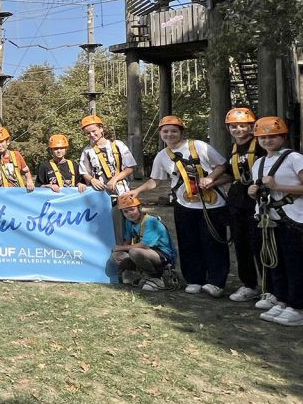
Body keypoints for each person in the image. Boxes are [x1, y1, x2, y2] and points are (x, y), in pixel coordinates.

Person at [133, 115, 230, 297]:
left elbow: (222, 165)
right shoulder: (163, 156)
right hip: (184, 204)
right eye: (165, 131)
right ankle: (194, 279)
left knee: (213, 243)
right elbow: (156, 180)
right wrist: (137, 191)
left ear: (181, 132)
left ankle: (216, 282)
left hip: (211, 204)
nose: (170, 134)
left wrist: (210, 178)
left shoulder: (198, 146)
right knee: (188, 243)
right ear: (160, 133)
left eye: (174, 131)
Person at [248, 117, 303, 327]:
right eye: (263, 137)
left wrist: (279, 186)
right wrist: (253, 192)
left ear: (283, 137)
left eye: (273, 136)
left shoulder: (295, 158)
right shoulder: (259, 163)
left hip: (294, 218)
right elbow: (264, 190)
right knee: (274, 261)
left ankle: (296, 306)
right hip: (269, 219)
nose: (268, 141)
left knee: (293, 262)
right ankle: (281, 299)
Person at [215, 108, 266, 303]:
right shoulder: (233, 149)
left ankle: (269, 287)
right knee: (241, 244)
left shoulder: (261, 145)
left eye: (243, 125)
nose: (238, 129)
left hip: (257, 200)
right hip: (237, 201)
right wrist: (211, 182)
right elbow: (230, 173)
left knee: (260, 244)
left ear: (252, 126)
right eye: (234, 126)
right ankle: (249, 284)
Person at [110, 192, 176, 291]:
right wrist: (119, 253)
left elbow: (144, 245)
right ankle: (140, 275)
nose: (130, 214)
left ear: (139, 208)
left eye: (132, 209)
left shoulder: (150, 221)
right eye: (125, 212)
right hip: (145, 253)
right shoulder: (129, 222)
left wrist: (121, 248)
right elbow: (127, 242)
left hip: (162, 255)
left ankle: (156, 278)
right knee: (117, 255)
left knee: (134, 252)